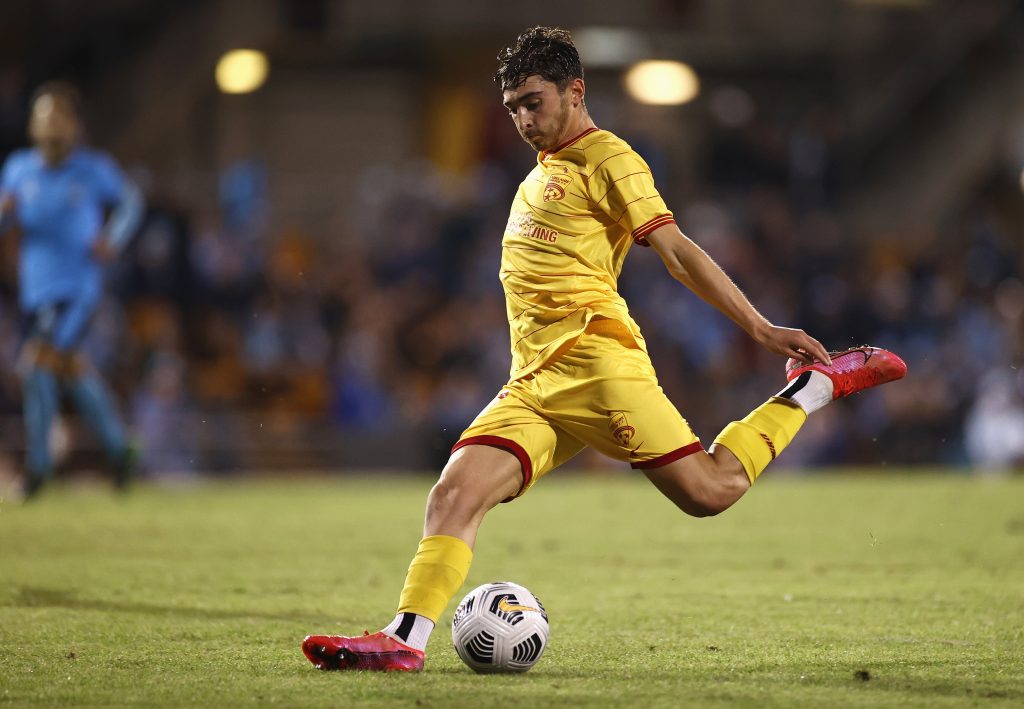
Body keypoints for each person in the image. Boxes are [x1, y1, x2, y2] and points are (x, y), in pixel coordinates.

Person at [302, 27, 906, 672]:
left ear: (575, 91)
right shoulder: (541, 174)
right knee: (454, 494)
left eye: (534, 101)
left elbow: (678, 253)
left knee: (710, 490)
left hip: (597, 365)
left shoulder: (610, 159)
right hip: (532, 382)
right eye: (513, 108)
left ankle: (816, 387)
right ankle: (404, 640)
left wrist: (760, 329)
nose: (523, 119)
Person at [0, 81, 144, 500]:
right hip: (36, 292)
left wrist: (112, 238)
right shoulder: (18, 169)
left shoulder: (92, 169)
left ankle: (38, 468)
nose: (50, 123)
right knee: (68, 373)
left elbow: (131, 203)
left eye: (59, 114)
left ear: (75, 124)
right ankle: (120, 450)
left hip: (77, 289)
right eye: (43, 114)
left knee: (34, 366)